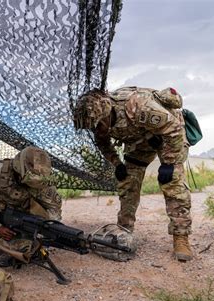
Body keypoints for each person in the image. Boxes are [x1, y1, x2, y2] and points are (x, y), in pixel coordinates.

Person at [73, 86, 193, 261]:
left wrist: (168, 163)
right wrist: (117, 163)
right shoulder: (98, 121)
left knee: (172, 181)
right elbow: (103, 144)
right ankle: (124, 229)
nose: (96, 129)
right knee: (128, 181)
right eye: (93, 127)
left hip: (170, 136)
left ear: (106, 113)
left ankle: (181, 237)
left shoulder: (138, 105)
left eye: (99, 124)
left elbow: (173, 129)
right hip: (141, 140)